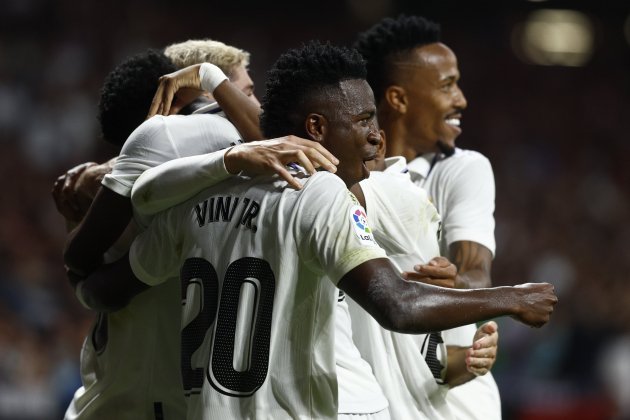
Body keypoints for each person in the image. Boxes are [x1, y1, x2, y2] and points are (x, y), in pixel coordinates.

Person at [79, 40, 556, 419]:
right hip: (328, 408)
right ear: (315, 128)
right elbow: (398, 305)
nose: (377, 137)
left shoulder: (189, 203)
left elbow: (105, 274)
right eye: (364, 120)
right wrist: (513, 298)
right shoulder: (337, 195)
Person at [56, 44, 336, 420]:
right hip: (152, 393)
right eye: (245, 92)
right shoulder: (190, 135)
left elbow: (84, 268)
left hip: (124, 384)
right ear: (190, 93)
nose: (249, 104)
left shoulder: (140, 161)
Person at [355, 14, 502, 419]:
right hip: (375, 397)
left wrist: (456, 279)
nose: (461, 99)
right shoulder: (343, 177)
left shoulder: (461, 169)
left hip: (451, 402)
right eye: (447, 85)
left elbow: (477, 273)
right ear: (398, 99)